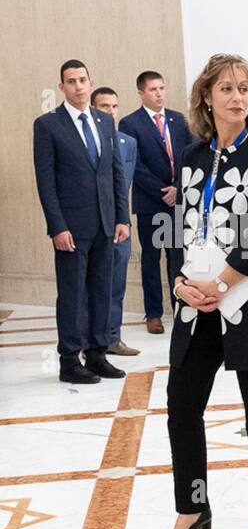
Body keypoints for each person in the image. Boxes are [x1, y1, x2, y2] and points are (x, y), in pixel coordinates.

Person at [154, 53, 248, 529]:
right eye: (227, 89)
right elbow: (178, 229)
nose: (237, 97)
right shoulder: (192, 157)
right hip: (198, 302)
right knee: (182, 405)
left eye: (245, 89)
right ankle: (193, 507)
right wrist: (180, 282)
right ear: (206, 98)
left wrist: (223, 282)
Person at [32, 59, 130, 385]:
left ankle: (98, 355)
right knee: (73, 296)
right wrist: (57, 226)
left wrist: (121, 217)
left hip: (106, 224)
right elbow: (45, 182)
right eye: (70, 81)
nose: (77, 86)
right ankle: (70, 361)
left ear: (91, 82)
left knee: (101, 291)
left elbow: (115, 172)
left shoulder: (104, 121)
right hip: (71, 229)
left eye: (82, 80)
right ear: (61, 87)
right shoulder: (48, 125)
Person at [120, 70, 195, 335]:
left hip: (177, 203)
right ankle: (153, 314)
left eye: (162, 88)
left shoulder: (178, 120)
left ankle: (180, 308)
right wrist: (163, 191)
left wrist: (178, 189)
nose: (159, 93)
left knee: (176, 257)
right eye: (153, 89)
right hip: (151, 203)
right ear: (141, 92)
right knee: (151, 258)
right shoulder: (129, 124)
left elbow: (191, 154)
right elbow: (134, 165)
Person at [91, 87, 141, 357]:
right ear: (93, 109)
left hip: (120, 224)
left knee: (117, 282)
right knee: (93, 284)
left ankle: (112, 337)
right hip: (93, 223)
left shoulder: (127, 142)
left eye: (114, 106)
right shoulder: (84, 141)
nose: (110, 112)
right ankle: (91, 340)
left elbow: (126, 182)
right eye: (103, 107)